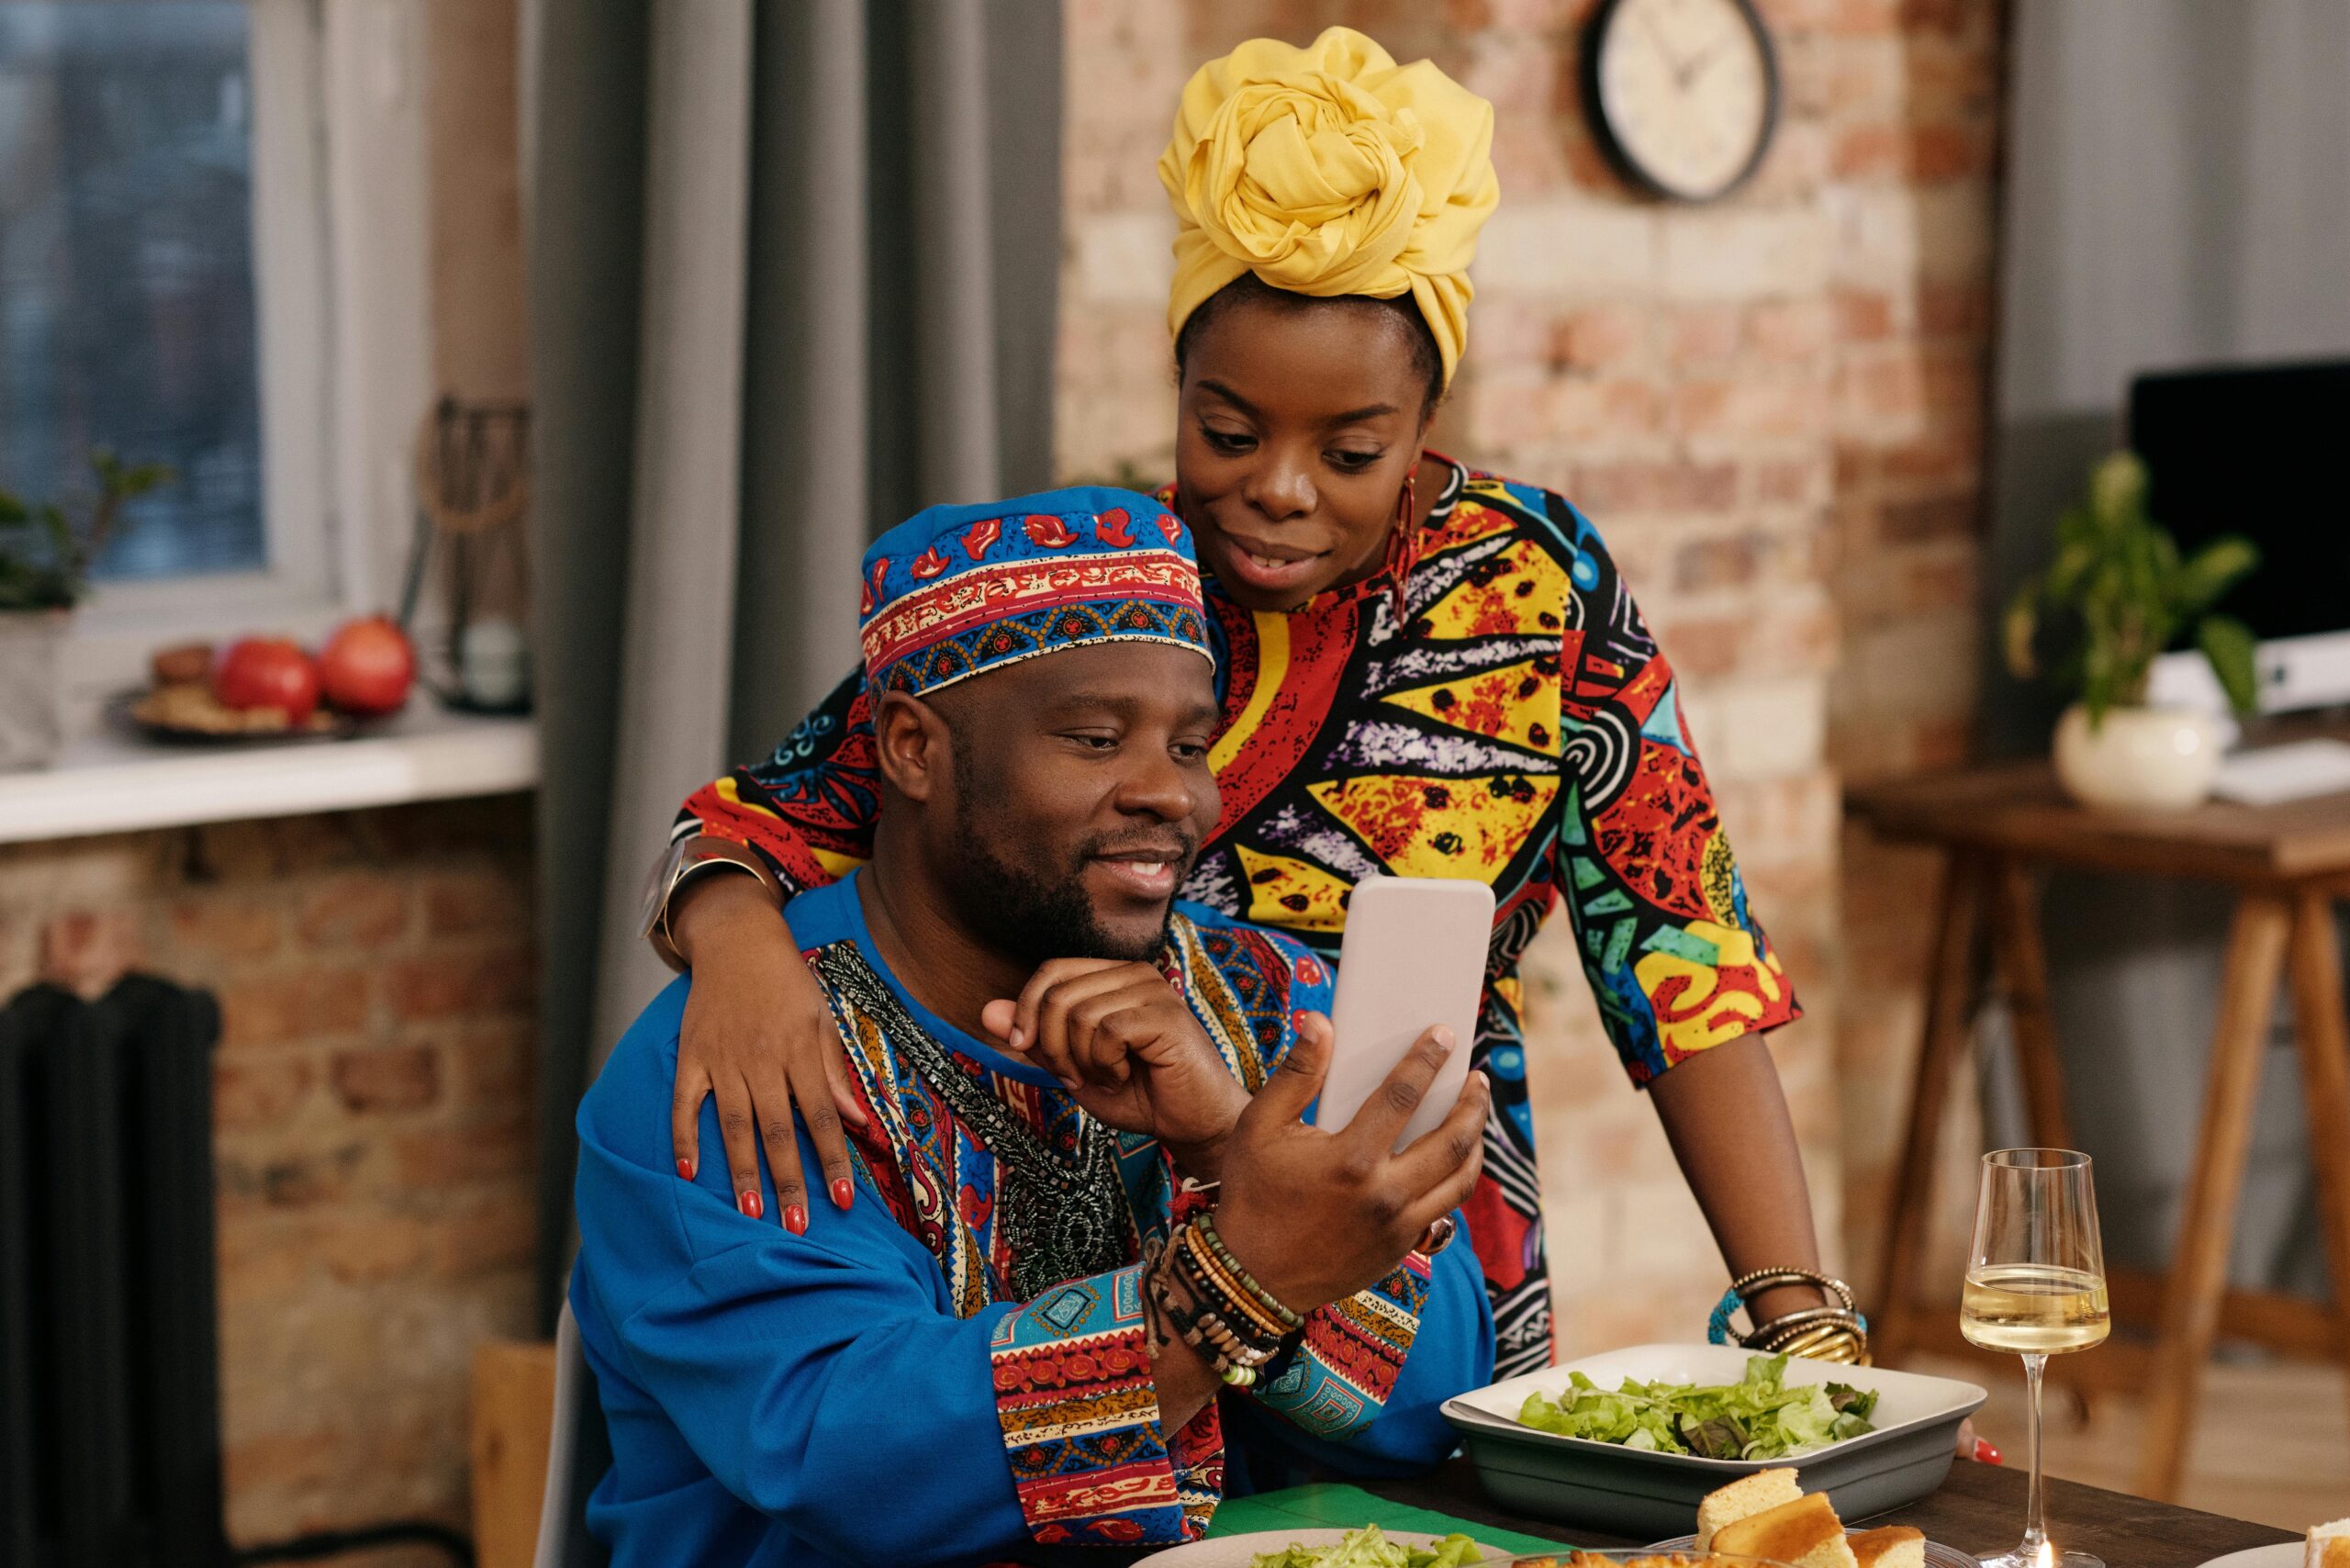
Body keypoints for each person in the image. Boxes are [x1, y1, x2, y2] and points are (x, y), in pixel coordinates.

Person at [639, 28, 1841, 1379]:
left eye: (1351, 451)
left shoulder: (1533, 591)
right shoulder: (1105, 596)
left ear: (1427, 414)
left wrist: (1806, 1325)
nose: (1278, 488)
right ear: (1177, 390)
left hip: (1411, 1247)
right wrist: (736, 951)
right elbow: (798, 801)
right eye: (1228, 433)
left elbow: (1682, 957)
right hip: (1105, 1228)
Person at [575, 488, 1495, 1567]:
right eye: (1096, 739)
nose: (1168, 794)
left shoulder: (1270, 1003)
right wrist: (1243, 1271)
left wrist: (1224, 1145)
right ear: (914, 749)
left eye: (1190, 746)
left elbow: (1444, 1406)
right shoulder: (741, 1060)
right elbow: (849, 1456)